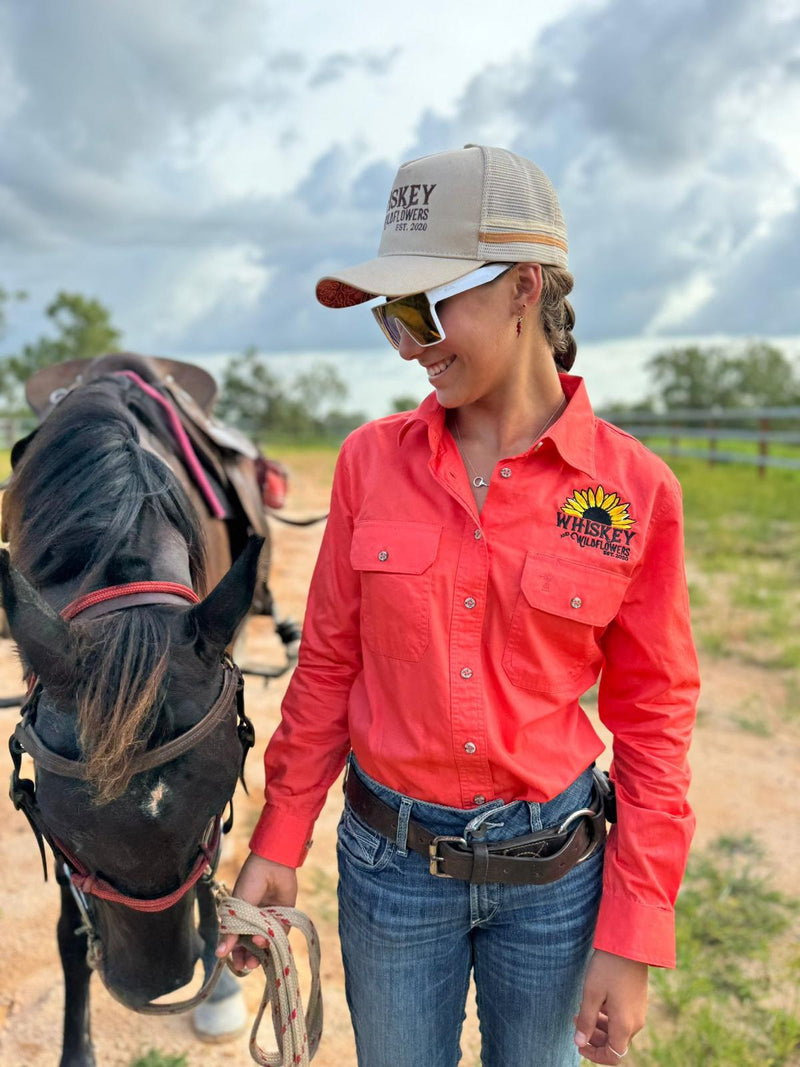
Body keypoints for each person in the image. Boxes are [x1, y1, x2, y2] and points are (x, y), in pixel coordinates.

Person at [218, 144, 699, 1067]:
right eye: (389, 317)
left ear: (525, 288)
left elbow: (654, 719)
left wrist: (632, 930)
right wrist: (281, 840)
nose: (407, 342)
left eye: (424, 307)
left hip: (557, 881)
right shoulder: (369, 463)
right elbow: (327, 664)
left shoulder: (637, 491)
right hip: (390, 873)